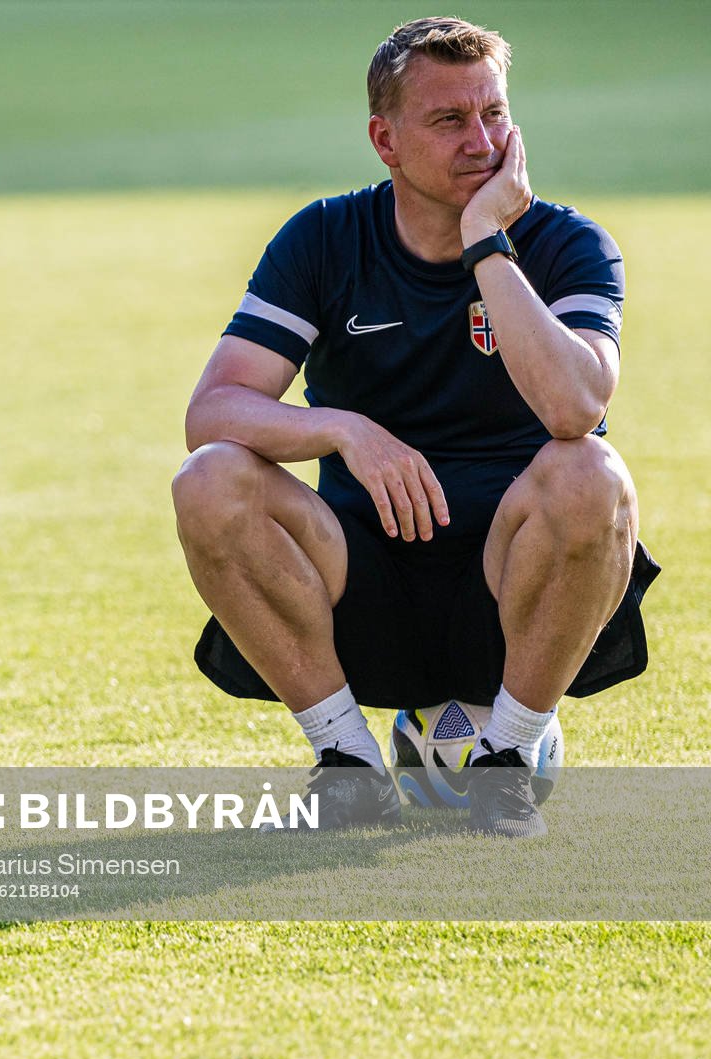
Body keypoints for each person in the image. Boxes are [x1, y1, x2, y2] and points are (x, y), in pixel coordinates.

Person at [172, 16, 659, 837]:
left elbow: (577, 407)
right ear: (385, 139)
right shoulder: (326, 238)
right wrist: (343, 428)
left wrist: (486, 244)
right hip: (360, 589)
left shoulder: (567, 243)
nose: (481, 141)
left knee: (593, 472)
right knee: (211, 478)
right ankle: (346, 763)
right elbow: (212, 411)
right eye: (448, 120)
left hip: (516, 600)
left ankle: (505, 761)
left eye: (495, 115)